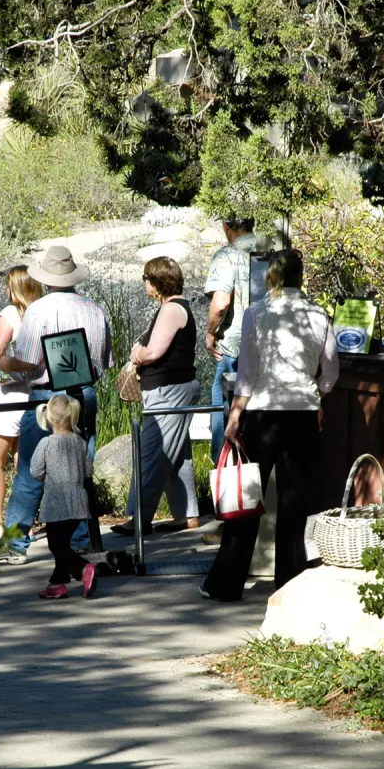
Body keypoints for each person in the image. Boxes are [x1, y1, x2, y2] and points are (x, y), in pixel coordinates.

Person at [201, 249, 339, 602]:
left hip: (262, 413)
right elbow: (331, 370)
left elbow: (247, 372)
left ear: (272, 276)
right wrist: (319, 393)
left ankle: (225, 584)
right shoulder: (318, 314)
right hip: (304, 412)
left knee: (248, 499)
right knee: (295, 504)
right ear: (301, 276)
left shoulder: (256, 313)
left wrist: (235, 415)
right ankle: (289, 587)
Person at [0, 245, 112, 564]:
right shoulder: (95, 309)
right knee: (79, 470)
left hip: (48, 396)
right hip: (84, 394)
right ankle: (83, 538)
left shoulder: (39, 310)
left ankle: (16, 543)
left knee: (31, 470)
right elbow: (103, 362)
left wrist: (6, 363)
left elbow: (30, 361)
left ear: (46, 279)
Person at [112, 256, 201, 537]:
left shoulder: (172, 309)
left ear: (156, 282)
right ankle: (187, 515)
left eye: (146, 279)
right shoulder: (174, 307)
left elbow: (153, 353)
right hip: (173, 390)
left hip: (168, 392)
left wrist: (137, 353)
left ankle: (139, 518)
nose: (144, 284)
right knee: (176, 456)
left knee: (151, 453)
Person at [0, 266, 43, 540]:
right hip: (31, 397)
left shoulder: (10, 313)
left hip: (6, 397)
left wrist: (3, 361)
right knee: (23, 465)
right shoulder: (41, 313)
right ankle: (23, 523)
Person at [29, 394, 99, 599]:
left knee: (55, 544)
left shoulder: (46, 443)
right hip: (77, 501)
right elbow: (88, 471)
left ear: (49, 418)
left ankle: (83, 569)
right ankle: (57, 584)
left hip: (55, 502)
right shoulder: (80, 442)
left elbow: (35, 471)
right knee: (62, 543)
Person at [203, 217, 261, 464]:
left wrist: (210, 333)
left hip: (235, 347)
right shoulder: (270, 249)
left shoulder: (227, 255)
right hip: (268, 347)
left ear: (227, 227)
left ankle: (224, 471)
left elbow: (221, 302)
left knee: (224, 409)